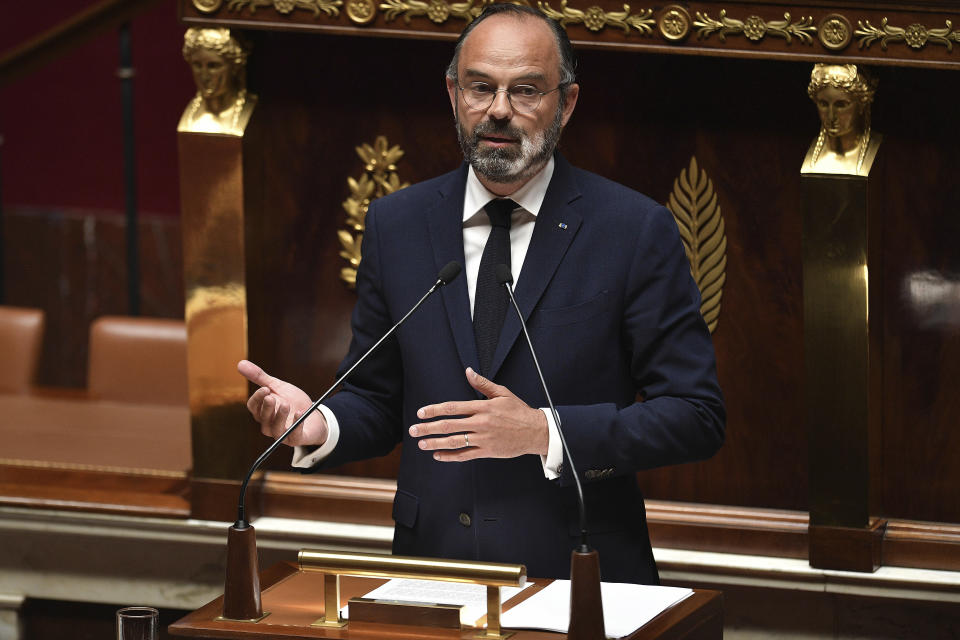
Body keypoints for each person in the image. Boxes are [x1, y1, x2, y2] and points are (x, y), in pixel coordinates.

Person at [238, 3, 724, 585]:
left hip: (579, 572)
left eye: (525, 91)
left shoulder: (632, 229)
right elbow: (377, 396)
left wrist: (546, 432)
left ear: (565, 103)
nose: (498, 110)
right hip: (433, 571)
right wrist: (318, 424)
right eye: (480, 88)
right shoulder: (398, 224)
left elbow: (696, 415)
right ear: (453, 94)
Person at [801, 64, 880, 176]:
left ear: (862, 104)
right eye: (823, 104)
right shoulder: (808, 153)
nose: (831, 116)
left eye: (841, 105)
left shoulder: (878, 150)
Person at [179, 28, 256, 136]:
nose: (204, 76)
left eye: (213, 66)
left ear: (234, 67)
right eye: (197, 65)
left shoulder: (250, 109)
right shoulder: (190, 117)